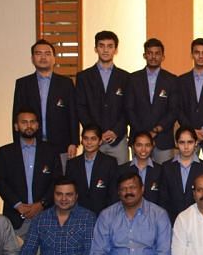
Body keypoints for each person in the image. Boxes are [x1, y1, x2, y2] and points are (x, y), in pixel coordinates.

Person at [12, 39, 78, 171]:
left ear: (54, 59)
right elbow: (16, 116)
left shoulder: (66, 83)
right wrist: (17, 143)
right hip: (32, 143)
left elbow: (73, 114)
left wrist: (74, 142)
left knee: (61, 182)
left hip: (61, 145)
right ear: (32, 58)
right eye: (38, 53)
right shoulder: (23, 84)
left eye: (47, 54)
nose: (43, 57)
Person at [0, 109, 62, 236]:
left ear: (37, 125)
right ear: (16, 126)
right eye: (24, 122)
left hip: (46, 215)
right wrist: (18, 205)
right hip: (16, 218)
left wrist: (41, 204)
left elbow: (57, 181)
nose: (29, 126)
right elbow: (0, 181)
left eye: (32, 122)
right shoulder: (5, 152)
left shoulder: (51, 151)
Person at [75, 30, 131, 164]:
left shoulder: (126, 77)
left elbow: (129, 109)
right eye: (101, 45)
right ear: (95, 48)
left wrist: (115, 131)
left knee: (121, 180)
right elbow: (81, 107)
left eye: (110, 46)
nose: (105, 50)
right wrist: (96, 133)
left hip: (117, 140)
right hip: (93, 140)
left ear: (115, 50)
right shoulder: (84, 77)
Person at [124, 37, 179, 164]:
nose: (153, 57)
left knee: (164, 178)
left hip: (163, 139)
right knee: (137, 177)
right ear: (144, 55)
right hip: (138, 138)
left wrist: (157, 130)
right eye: (150, 53)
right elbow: (129, 109)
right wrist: (143, 133)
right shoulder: (133, 79)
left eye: (157, 53)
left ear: (163, 56)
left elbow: (174, 110)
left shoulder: (172, 80)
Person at [65, 124, 118, 215]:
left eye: (93, 139)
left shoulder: (110, 163)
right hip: (78, 215)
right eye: (86, 138)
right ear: (81, 141)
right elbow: (69, 192)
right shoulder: (72, 164)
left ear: (100, 141)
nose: (89, 142)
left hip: (104, 214)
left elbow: (113, 193)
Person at [161, 125, 203, 222]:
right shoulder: (166, 167)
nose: (186, 147)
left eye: (190, 142)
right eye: (182, 142)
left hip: (198, 221)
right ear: (176, 143)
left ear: (196, 143)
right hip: (172, 221)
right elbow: (163, 199)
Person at [115, 131, 165, 207]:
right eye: (139, 145)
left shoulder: (161, 170)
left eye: (147, 145)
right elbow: (117, 198)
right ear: (133, 147)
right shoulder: (122, 170)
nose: (143, 149)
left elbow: (163, 199)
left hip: (154, 216)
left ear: (152, 146)